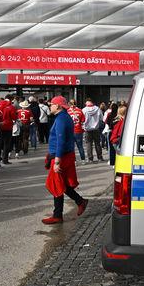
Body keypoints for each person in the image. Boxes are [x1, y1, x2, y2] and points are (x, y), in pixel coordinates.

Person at [41, 96, 87, 225]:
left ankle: (58, 215)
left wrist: (56, 161)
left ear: (58, 106)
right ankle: (79, 202)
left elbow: (61, 141)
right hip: (64, 155)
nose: (50, 106)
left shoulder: (61, 119)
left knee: (56, 184)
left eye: (52, 104)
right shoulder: (63, 117)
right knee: (62, 184)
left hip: (61, 156)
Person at [82, 98, 103, 163]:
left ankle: (90, 159)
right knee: (97, 143)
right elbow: (101, 118)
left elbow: (82, 119)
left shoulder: (84, 110)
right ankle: (99, 157)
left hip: (87, 129)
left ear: (86, 103)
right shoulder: (97, 109)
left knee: (89, 144)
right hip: (96, 129)